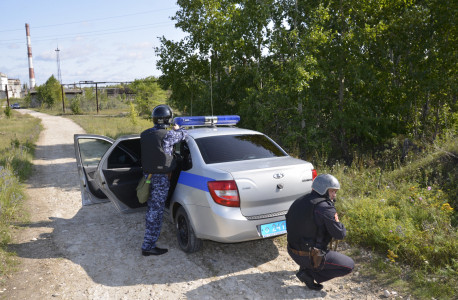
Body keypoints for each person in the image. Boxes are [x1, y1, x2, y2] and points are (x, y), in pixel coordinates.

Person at [285, 174, 354, 290]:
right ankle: (308, 273)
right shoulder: (325, 207)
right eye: (332, 191)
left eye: (335, 191)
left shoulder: (301, 199)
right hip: (308, 255)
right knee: (349, 266)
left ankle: (306, 267)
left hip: (292, 249)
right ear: (323, 189)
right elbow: (340, 234)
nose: (334, 195)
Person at [140, 104, 188, 256]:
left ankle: (149, 242)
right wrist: (178, 128)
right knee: (156, 211)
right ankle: (148, 246)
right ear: (168, 119)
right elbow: (183, 135)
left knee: (152, 208)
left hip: (148, 176)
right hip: (161, 178)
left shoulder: (145, 134)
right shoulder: (168, 135)